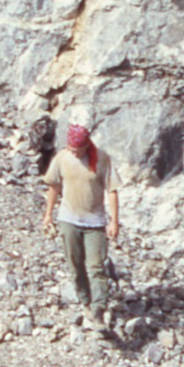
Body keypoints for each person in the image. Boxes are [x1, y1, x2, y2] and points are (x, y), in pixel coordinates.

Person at [41, 123, 120, 326]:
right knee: (75, 266)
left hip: (95, 222)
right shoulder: (62, 158)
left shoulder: (102, 159)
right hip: (69, 219)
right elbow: (53, 186)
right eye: (71, 149)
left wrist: (114, 221)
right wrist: (48, 214)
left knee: (96, 266)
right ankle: (85, 302)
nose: (73, 153)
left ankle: (99, 309)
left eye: (77, 150)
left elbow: (112, 190)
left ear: (86, 146)